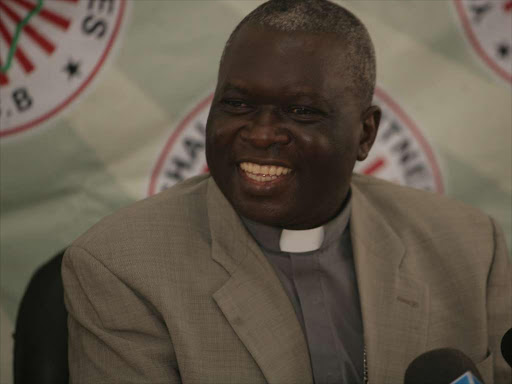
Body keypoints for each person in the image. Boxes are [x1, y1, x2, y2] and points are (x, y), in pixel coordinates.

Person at [62, 1, 512, 383]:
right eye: (237, 105)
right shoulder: (120, 266)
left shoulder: (471, 245)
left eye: (300, 111)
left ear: (365, 134)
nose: (260, 135)